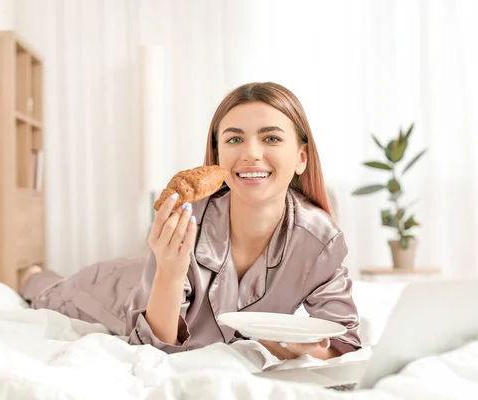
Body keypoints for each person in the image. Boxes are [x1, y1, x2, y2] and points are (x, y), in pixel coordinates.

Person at [19, 82, 361, 361]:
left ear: (301, 157)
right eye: (234, 139)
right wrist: (168, 270)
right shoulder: (186, 216)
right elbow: (152, 347)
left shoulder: (319, 240)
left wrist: (302, 352)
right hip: (119, 292)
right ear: (218, 155)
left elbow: (343, 343)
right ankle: (32, 276)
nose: (251, 152)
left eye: (271, 138)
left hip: (145, 277)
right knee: (49, 292)